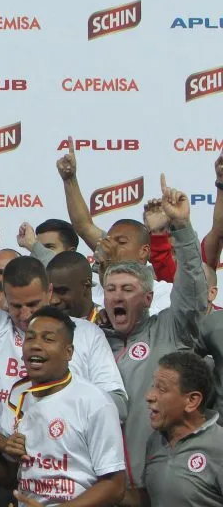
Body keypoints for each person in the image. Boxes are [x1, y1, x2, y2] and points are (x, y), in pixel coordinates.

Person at [0, 181, 128, 429]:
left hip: (68, 449)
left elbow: (118, 404)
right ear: (4, 297)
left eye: (33, 303)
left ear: (49, 291)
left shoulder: (87, 333)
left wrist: (66, 399)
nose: (25, 314)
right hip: (3, 452)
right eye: (16, 306)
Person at [99, 175, 207, 489]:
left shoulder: (169, 330)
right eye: (111, 290)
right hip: (102, 488)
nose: (117, 297)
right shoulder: (92, 341)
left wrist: (181, 228)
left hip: (161, 484)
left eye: (127, 289)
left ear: (148, 299)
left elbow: (192, 292)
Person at [0, 307, 126, 507]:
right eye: (30, 338)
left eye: (48, 339)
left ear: (69, 352)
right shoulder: (17, 395)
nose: (35, 345)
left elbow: (115, 486)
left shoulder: (95, 402)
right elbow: (12, 477)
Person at [56, 140, 173, 314]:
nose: (109, 245)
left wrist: (158, 231)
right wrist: (69, 180)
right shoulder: (91, 291)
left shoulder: (163, 292)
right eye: (108, 240)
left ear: (143, 252)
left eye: (121, 242)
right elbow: (84, 226)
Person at [123, 351, 223, 506]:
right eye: (153, 386)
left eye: (161, 389)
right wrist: (110, 490)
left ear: (192, 401)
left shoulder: (218, 447)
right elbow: (153, 499)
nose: (149, 396)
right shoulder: (155, 441)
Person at [46, 251, 98, 321]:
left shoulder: (108, 323)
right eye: (49, 291)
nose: (52, 301)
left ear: (86, 286)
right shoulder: (40, 323)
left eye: (62, 291)